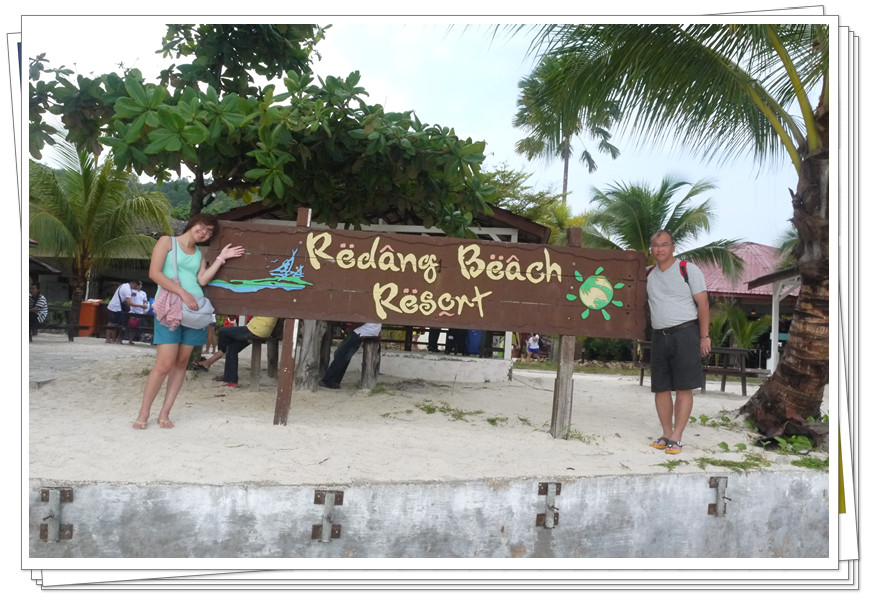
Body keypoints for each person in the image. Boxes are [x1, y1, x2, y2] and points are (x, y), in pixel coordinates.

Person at [132, 213, 245, 430]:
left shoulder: (199, 254)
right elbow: (154, 273)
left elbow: (202, 280)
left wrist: (222, 258)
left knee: (181, 363)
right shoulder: (167, 242)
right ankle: (144, 412)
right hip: (170, 307)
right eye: (202, 227)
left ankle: (165, 412)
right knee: (164, 364)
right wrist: (182, 292)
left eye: (210, 232)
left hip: (195, 312)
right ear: (192, 224)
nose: (204, 233)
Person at [646, 230, 711, 455]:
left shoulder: (688, 270)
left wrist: (704, 336)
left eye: (664, 245)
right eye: (655, 245)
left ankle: (677, 436)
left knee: (684, 387)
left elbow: (703, 304)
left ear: (673, 248)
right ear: (651, 249)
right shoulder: (648, 274)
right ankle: (666, 433)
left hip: (685, 333)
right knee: (661, 387)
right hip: (659, 335)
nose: (659, 249)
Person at [193, 316, 278, 387]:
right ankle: (230, 380)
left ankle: (220, 355)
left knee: (222, 331)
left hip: (255, 329)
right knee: (232, 348)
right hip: (260, 329)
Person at [319, 323, 382, 389]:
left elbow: (361, 320)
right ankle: (336, 381)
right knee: (346, 356)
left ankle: (328, 380)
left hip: (361, 331)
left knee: (340, 354)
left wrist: (350, 328)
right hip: (371, 331)